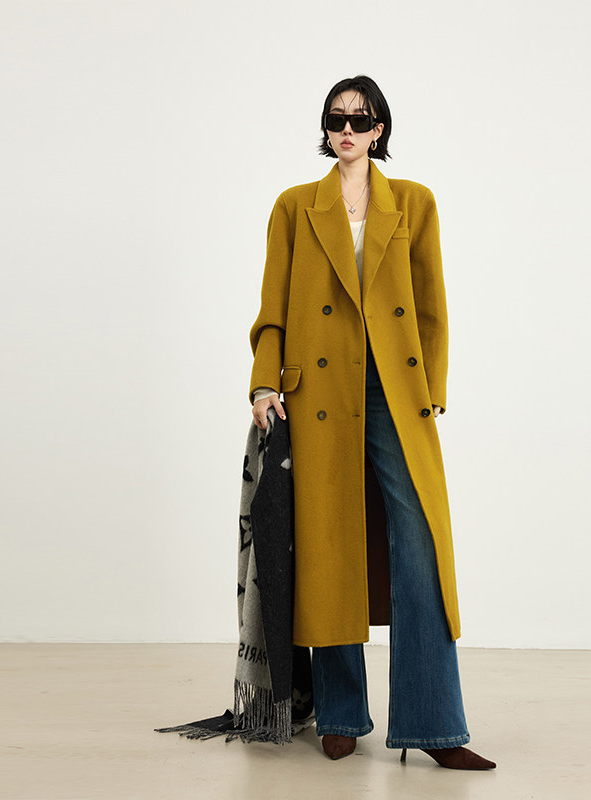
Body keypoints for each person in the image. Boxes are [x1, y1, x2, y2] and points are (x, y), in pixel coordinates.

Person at [248, 75, 495, 771]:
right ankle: (340, 716)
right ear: (325, 128)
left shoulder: (413, 201)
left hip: (393, 388)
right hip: (318, 393)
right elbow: (272, 305)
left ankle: (435, 727)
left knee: (420, 549)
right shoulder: (295, 206)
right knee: (329, 546)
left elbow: (432, 305)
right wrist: (264, 382)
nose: (348, 131)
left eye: (361, 120)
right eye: (337, 120)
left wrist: (431, 390)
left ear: (380, 128)